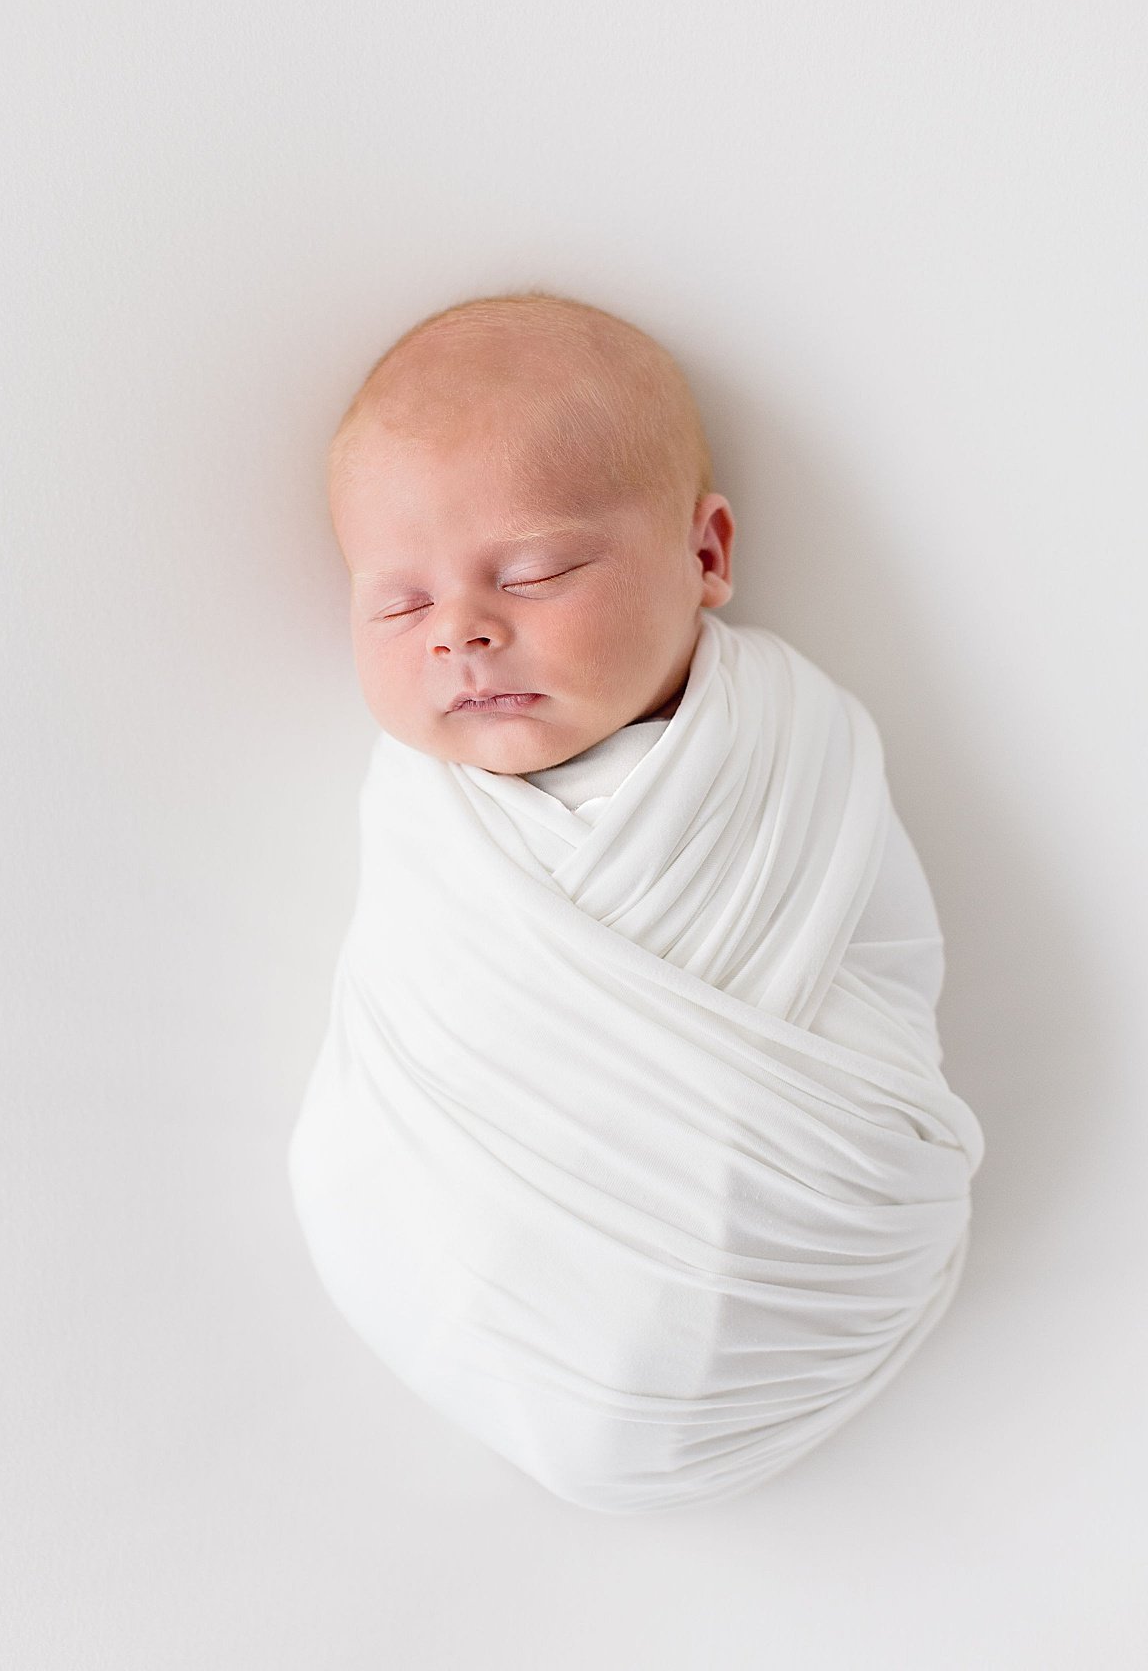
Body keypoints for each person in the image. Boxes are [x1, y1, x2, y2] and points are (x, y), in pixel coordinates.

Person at [288, 290, 984, 1514]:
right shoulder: (424, 808)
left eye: (538, 571)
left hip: (809, 1237)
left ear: (706, 556)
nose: (461, 632)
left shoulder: (784, 744)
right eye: (398, 602)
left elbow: (883, 964)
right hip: (468, 1267)